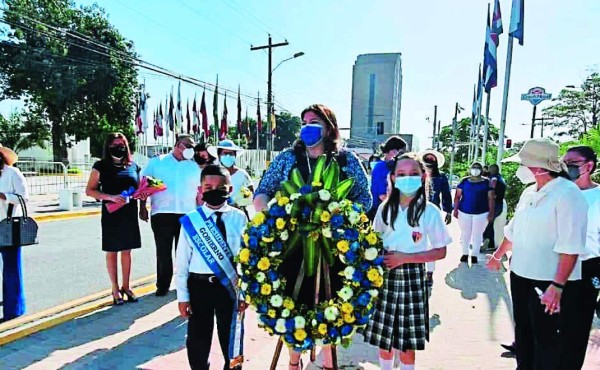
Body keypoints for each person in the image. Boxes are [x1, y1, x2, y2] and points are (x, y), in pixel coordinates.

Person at [254, 104, 372, 370]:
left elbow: (364, 199)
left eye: (314, 121)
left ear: (329, 126)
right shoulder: (287, 158)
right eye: (304, 121)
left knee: (330, 307)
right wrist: (272, 217)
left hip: (335, 247)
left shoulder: (345, 160)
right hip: (292, 246)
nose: (308, 126)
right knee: (294, 305)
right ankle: (294, 363)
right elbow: (263, 192)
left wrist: (339, 217)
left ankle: (328, 363)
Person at [487, 138, 587, 370]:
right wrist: (498, 255)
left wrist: (558, 286)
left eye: (523, 164)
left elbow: (570, 247)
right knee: (524, 333)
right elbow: (513, 230)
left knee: (547, 339)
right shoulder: (529, 192)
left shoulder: (568, 195)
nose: (520, 169)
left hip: (549, 282)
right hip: (521, 274)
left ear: (538, 168)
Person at [362, 153, 451, 370]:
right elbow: (374, 242)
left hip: (413, 278)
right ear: (392, 177)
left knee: (406, 343)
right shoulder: (385, 209)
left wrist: (405, 258)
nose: (407, 178)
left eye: (413, 173)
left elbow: (440, 251)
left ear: (422, 177)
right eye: (401, 174)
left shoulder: (430, 211)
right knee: (384, 338)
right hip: (386, 275)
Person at [175, 164, 247, 370]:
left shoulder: (239, 218)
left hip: (229, 287)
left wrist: (245, 294)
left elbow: (246, 258)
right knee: (198, 338)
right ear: (200, 190)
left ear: (230, 190)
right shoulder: (191, 221)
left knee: (231, 336)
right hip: (200, 287)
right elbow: (182, 263)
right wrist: (183, 297)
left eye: (220, 187)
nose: (213, 191)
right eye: (208, 187)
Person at [140, 134, 201, 296]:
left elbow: (199, 192)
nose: (191, 149)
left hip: (187, 214)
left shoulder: (195, 167)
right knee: (163, 251)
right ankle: (163, 285)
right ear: (178, 145)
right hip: (162, 213)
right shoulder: (157, 162)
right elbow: (144, 185)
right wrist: (142, 207)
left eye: (192, 146)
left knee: (184, 253)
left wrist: (202, 213)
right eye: (188, 145)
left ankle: (185, 285)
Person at [86, 133, 142, 305]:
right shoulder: (100, 166)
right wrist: (110, 197)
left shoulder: (133, 166)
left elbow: (139, 188)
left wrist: (144, 196)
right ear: (108, 147)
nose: (119, 147)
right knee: (112, 251)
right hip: (112, 213)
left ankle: (126, 286)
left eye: (122, 144)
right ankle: (115, 288)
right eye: (115, 144)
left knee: (127, 251)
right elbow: (90, 190)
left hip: (129, 213)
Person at [562, 146, 600, 368]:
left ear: (589, 166)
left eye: (573, 163)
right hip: (555, 266)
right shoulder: (560, 192)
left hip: (588, 268)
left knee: (577, 327)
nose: (568, 167)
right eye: (565, 162)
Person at [0, 144, 28, 321]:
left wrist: (3, 196)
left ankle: (14, 308)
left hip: (9, 226)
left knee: (11, 268)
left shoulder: (13, 173)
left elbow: (24, 197)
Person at [421, 150, 452, 287]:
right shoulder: (418, 175)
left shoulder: (441, 178)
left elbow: (446, 195)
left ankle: (429, 273)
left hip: (434, 213)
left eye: (431, 158)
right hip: (417, 212)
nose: (429, 160)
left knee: (433, 246)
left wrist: (449, 211)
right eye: (426, 158)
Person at [453, 162, 494, 264]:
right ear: (470, 169)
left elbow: (491, 198)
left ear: (481, 170)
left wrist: (491, 212)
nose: (475, 170)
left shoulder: (486, 182)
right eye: (473, 168)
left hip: (482, 212)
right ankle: (465, 253)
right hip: (464, 212)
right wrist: (455, 209)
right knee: (465, 233)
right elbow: (457, 196)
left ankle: (474, 255)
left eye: (477, 168)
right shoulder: (464, 181)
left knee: (477, 234)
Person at [208, 139, 254, 219]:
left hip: (239, 214)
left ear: (235, 155)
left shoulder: (242, 174)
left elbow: (252, 192)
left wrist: (242, 201)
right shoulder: (213, 174)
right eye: (225, 154)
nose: (228, 156)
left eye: (231, 154)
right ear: (219, 156)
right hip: (217, 215)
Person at [369, 136, 408, 219]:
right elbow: (381, 195)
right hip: (382, 209)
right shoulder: (380, 167)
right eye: (399, 151)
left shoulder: (397, 165)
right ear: (393, 150)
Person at [482, 164, 507, 252]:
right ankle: (491, 243)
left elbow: (492, 189)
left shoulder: (493, 179)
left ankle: (487, 240)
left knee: (488, 222)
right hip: (500, 204)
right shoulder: (501, 178)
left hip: (494, 204)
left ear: (491, 170)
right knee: (493, 224)